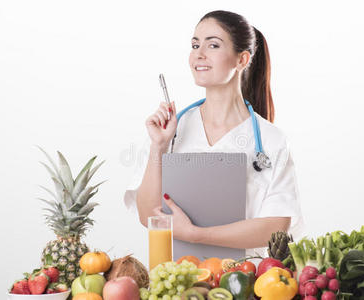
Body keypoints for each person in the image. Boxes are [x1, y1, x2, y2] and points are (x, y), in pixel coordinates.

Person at [124, 10, 304, 257]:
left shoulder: (272, 140)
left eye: (213, 45)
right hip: (177, 285)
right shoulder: (170, 130)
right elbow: (148, 216)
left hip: (245, 282)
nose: (199, 54)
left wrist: (195, 234)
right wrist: (158, 147)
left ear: (242, 60)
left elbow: (276, 227)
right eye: (195, 44)